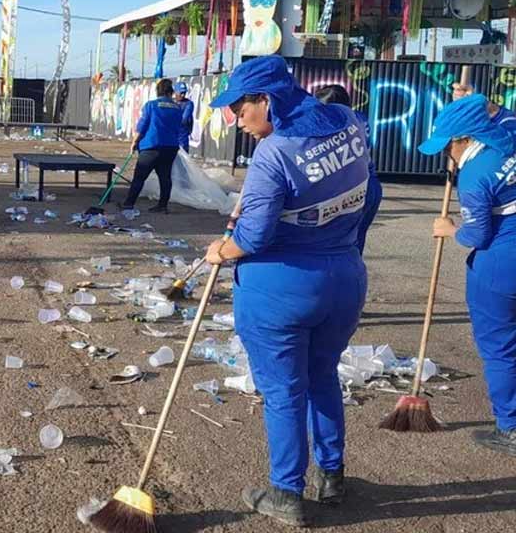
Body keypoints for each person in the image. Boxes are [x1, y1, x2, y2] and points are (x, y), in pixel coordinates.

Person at [202, 56, 370, 526]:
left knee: (283, 391)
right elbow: (366, 193)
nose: (236, 119)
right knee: (322, 376)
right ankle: (332, 475)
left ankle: (287, 492)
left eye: (240, 107)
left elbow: (252, 237)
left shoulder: (274, 153)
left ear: (268, 101)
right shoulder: (347, 123)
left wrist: (222, 249)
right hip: (344, 278)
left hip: (281, 288)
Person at [419, 94, 516, 456]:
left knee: (501, 349)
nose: (449, 157)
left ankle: (510, 427)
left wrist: (449, 228)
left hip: (501, 266)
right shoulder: (510, 130)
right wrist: (476, 100)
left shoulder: (474, 176)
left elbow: (477, 236)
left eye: (448, 147)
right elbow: (501, 112)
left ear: (465, 139)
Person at [315, 84, 383, 254]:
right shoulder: (360, 118)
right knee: (354, 244)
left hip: (348, 188)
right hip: (370, 183)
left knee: (335, 246)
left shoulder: (335, 123)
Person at [120, 78, 182, 213]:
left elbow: (142, 126)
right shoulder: (177, 108)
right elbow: (179, 128)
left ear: (158, 91)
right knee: (165, 177)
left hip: (151, 146)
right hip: (170, 147)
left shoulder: (151, 105)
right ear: (171, 92)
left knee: (139, 177)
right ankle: (163, 205)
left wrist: (134, 142)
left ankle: (129, 203)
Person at [174, 81, 194, 152]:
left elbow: (184, 120)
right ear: (175, 92)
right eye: (181, 93)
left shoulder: (189, 104)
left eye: (184, 93)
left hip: (182, 137)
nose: (183, 95)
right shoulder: (171, 102)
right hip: (171, 137)